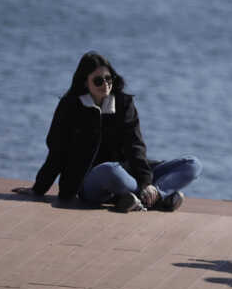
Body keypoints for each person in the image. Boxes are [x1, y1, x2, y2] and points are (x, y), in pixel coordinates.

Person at [13, 51, 201, 212]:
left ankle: (151, 195)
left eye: (108, 78)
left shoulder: (123, 104)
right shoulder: (70, 107)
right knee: (108, 169)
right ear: (85, 83)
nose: (105, 84)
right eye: (98, 81)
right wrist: (39, 188)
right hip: (90, 181)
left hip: (129, 174)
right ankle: (156, 198)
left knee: (192, 164)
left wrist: (146, 183)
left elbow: (135, 145)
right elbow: (57, 151)